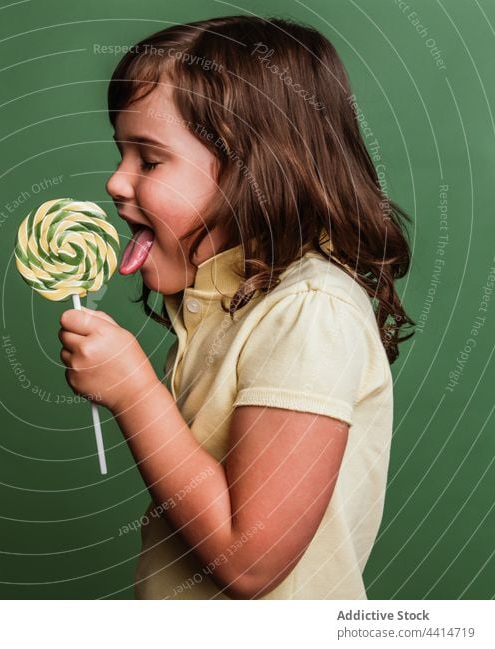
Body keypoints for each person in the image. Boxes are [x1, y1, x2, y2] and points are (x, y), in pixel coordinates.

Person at [58, 15, 414, 599]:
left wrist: (133, 390)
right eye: (121, 153)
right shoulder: (222, 302)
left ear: (251, 170)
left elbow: (251, 561)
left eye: (148, 160)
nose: (115, 182)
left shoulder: (310, 312)